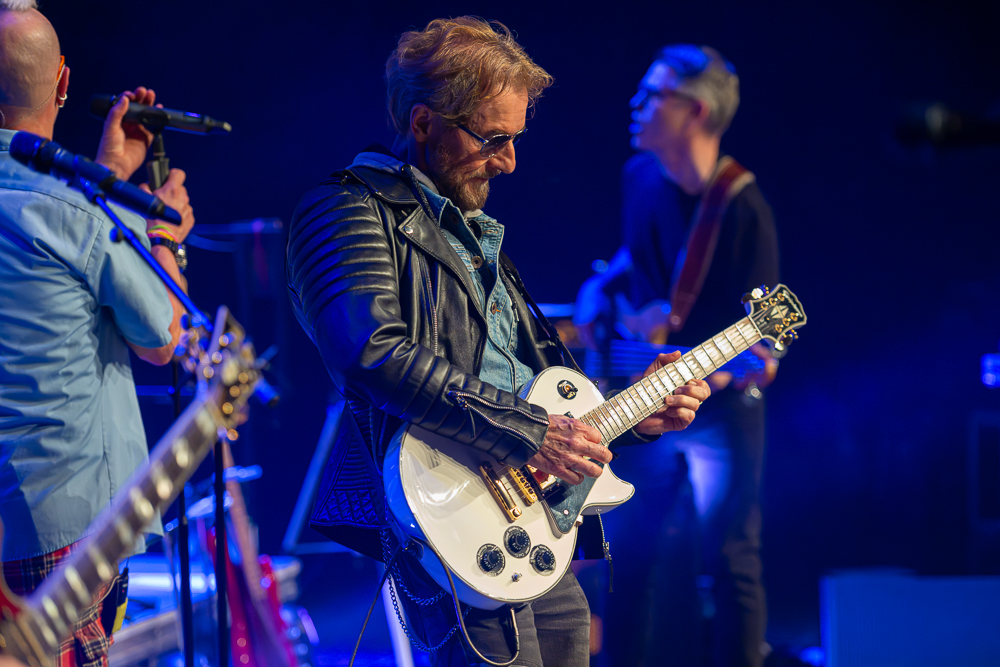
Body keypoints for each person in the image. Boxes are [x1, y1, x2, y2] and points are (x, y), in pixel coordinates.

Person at [286, 17, 710, 666]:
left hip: (528, 517)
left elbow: (538, 392)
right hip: (447, 509)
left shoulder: (474, 233)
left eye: (514, 138)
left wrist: (635, 414)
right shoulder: (344, 207)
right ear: (423, 123)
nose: (509, 161)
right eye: (492, 138)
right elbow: (370, 352)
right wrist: (532, 433)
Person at [0, 2, 195, 664]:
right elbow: (163, 337)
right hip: (61, 528)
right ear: (63, 82)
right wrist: (162, 233)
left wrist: (107, 170)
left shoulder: (78, 205)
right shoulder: (81, 211)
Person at [574, 45, 779, 667]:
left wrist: (714, 373)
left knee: (731, 557)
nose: (635, 104)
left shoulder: (743, 208)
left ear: (695, 112)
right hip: (646, 403)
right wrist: (598, 289)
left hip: (719, 411)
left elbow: (761, 353)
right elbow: (635, 256)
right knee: (628, 556)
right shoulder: (639, 176)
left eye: (653, 94)